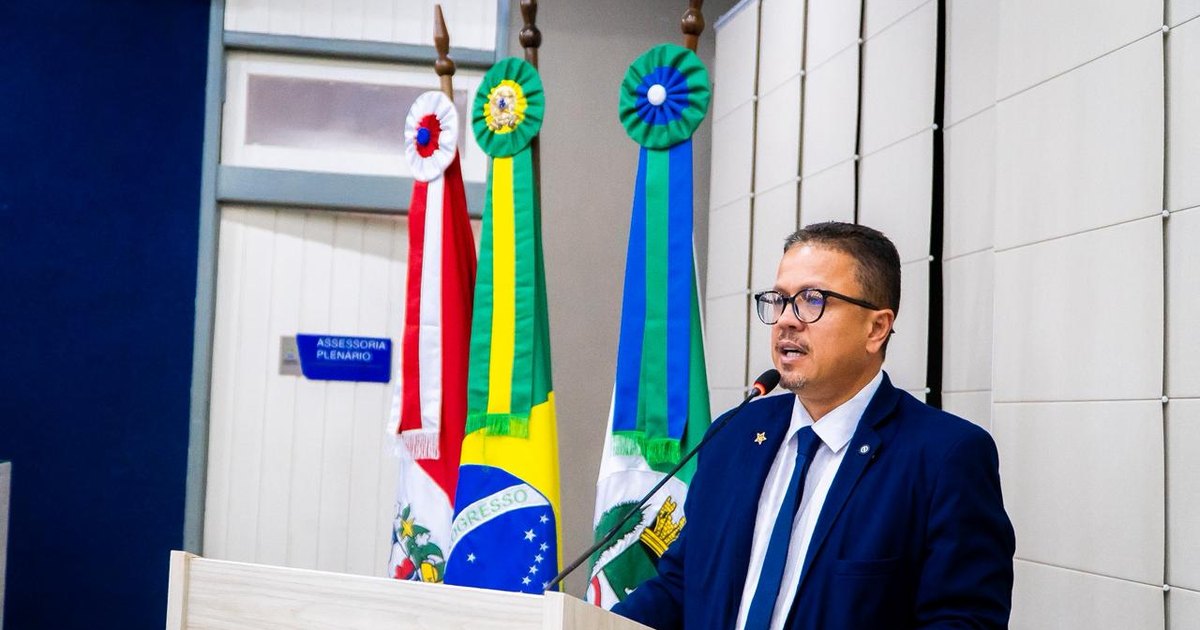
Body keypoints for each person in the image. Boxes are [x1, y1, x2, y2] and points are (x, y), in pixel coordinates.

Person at [612, 222, 1014, 629]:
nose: (786, 320)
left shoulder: (945, 456)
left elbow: (963, 621)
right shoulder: (732, 434)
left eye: (812, 300)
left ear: (876, 328)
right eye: (780, 300)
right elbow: (681, 586)